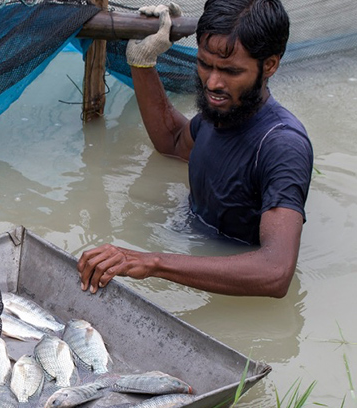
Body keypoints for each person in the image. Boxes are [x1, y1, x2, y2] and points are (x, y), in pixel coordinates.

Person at [77, 0, 313, 298]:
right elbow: (172, 142)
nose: (212, 83)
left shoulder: (282, 146)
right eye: (204, 64)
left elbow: (274, 272)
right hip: (191, 247)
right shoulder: (223, 113)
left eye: (231, 71)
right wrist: (142, 61)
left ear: (270, 65)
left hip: (230, 289)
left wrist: (152, 262)